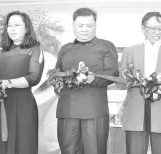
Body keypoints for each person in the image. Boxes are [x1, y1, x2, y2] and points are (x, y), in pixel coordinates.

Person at [117, 11, 161, 154]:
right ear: (143, 28)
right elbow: (120, 82)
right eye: (152, 28)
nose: (157, 32)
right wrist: (130, 81)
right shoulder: (129, 51)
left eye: (160, 29)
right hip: (135, 112)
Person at [0, 11, 44, 154]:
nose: (12, 28)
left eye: (17, 25)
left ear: (27, 28)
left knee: (22, 144)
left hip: (22, 105)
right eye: (9, 25)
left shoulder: (35, 50)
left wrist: (8, 83)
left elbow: (33, 78)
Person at [55, 7, 119, 154]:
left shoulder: (106, 46)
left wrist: (93, 78)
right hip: (67, 111)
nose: (85, 30)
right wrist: (57, 84)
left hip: (94, 111)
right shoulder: (65, 48)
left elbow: (112, 72)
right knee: (68, 150)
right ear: (73, 26)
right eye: (80, 25)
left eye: (89, 26)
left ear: (95, 26)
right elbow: (57, 73)